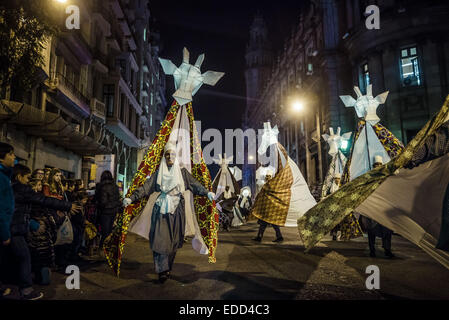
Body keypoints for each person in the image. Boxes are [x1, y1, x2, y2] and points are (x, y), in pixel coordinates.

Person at [123, 142, 215, 283]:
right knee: (160, 240)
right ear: (164, 157)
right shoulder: (159, 173)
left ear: (176, 156)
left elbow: (195, 185)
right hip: (160, 211)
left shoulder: (182, 173)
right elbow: (146, 188)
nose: (170, 157)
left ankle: (167, 267)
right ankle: (161, 270)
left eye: (172, 154)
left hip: (177, 211)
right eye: (167, 155)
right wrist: (131, 198)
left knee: (173, 242)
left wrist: (207, 192)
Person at [10, 164, 79, 299]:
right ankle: (26, 290)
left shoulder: (12, 187)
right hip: (16, 228)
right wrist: (68, 206)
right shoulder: (22, 189)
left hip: (17, 228)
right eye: (28, 177)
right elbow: (44, 200)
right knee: (25, 258)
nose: (30, 181)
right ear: (19, 177)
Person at [359, 156, 395, 258]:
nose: (378, 166)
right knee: (372, 230)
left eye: (379, 165)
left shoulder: (386, 178)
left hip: (383, 208)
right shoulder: (369, 178)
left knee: (387, 230)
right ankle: (372, 250)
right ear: (373, 166)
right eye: (376, 165)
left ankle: (387, 250)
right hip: (372, 208)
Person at [28, 178, 58, 285]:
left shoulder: (40, 199)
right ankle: (41, 278)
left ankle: (42, 278)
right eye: (38, 185)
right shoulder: (30, 199)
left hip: (43, 231)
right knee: (40, 258)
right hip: (37, 231)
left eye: (40, 185)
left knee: (41, 258)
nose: (40, 187)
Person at [43, 168, 71, 269]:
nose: (58, 178)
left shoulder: (60, 187)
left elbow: (62, 199)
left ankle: (60, 260)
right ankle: (53, 262)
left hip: (60, 212)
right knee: (53, 237)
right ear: (52, 176)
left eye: (59, 176)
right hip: (51, 212)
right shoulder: (47, 186)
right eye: (56, 175)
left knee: (60, 237)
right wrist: (57, 198)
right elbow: (47, 198)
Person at [0, 142, 15, 298]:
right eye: (11, 154)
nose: (14, 157)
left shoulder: (5, 175)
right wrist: (5, 234)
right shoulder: (1, 178)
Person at [252, 173, 284, 243]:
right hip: (266, 207)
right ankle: (259, 237)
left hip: (270, 208)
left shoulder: (271, 185)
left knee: (273, 224)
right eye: (266, 176)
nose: (267, 178)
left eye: (269, 176)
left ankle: (279, 237)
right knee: (263, 224)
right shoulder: (267, 185)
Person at [95, 170, 121, 250]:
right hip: (113, 211)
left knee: (104, 231)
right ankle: (108, 248)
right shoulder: (115, 187)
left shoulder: (101, 187)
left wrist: (98, 205)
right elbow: (118, 199)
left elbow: (103, 201)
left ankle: (103, 248)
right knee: (109, 230)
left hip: (104, 212)